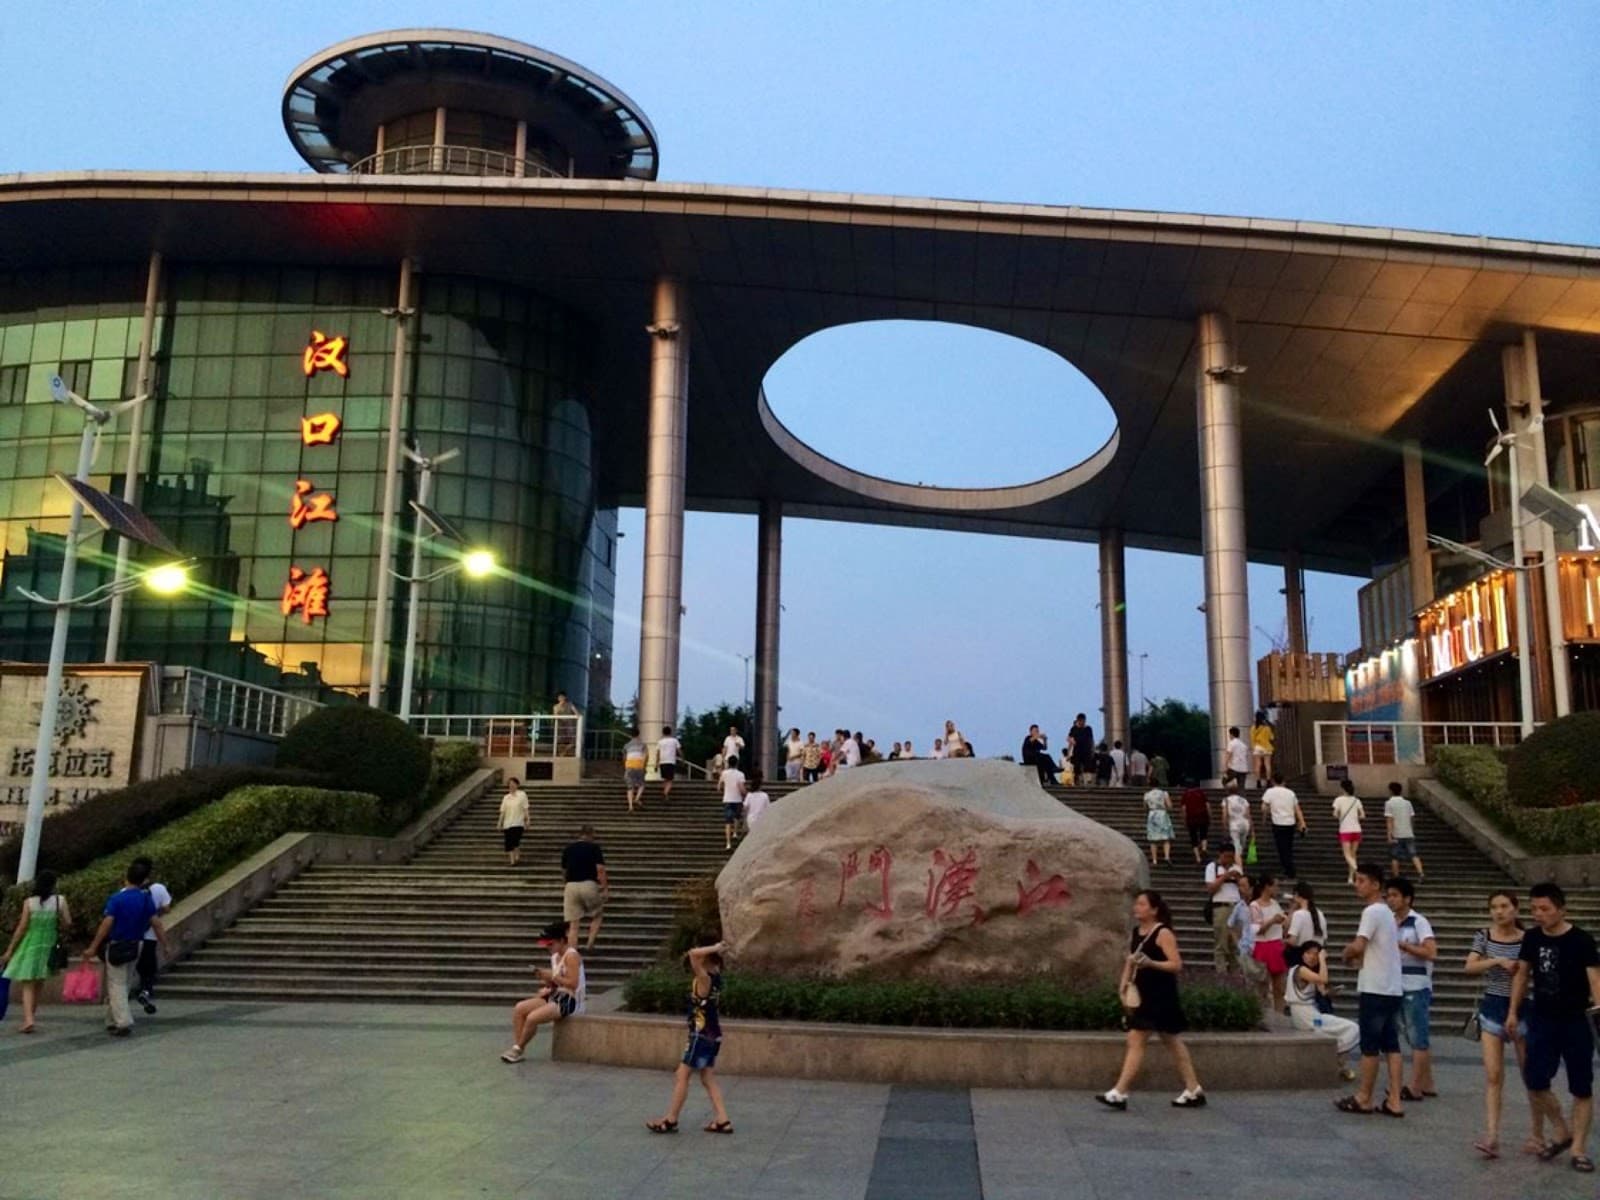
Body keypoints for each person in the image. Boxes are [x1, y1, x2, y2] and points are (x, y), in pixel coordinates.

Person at [1508, 881, 1600, 1173]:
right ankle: (1561, 1129)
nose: (1538, 914)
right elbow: (1522, 975)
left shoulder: (1582, 940)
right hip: (1542, 1018)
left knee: (1581, 1086)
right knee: (1535, 1080)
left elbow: (1595, 980)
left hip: (1576, 1020)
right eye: (1534, 909)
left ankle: (1578, 1149)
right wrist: (1512, 1011)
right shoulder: (1532, 938)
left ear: (1562, 910)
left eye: (1545, 909)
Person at [1095, 890, 1206, 1110]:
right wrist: (1123, 984)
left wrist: (1152, 963)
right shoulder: (1137, 932)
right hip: (1143, 992)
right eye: (1136, 903)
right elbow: (1131, 960)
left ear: (1154, 910)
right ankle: (1193, 1089)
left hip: (1161, 994)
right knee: (1171, 1041)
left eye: (1142, 904)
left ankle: (1119, 1092)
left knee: (1137, 1039)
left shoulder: (1163, 933)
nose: (1137, 907)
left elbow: (1176, 964)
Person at [1466, 890, 1544, 1160]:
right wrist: (1498, 960)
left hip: (1523, 1008)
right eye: (1494, 907)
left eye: (1504, 906)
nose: (1499, 911)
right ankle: (1492, 1135)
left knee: (1530, 1075)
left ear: (1515, 909)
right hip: (1492, 1007)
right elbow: (1470, 966)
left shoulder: (1528, 938)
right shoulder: (1484, 936)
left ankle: (1537, 1134)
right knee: (1493, 1075)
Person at [1335, 863, 1404, 1117]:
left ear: (1376, 885)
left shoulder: (1372, 911)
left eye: (1362, 880)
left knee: (1370, 1045)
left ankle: (1364, 1097)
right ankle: (1395, 1099)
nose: (1358, 885)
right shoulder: (1387, 913)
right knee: (1391, 1045)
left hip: (1375, 987)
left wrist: (1345, 953)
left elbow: (1359, 944)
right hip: (1392, 986)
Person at [646, 940, 734, 1134]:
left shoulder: (704, 979)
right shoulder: (716, 978)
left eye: (703, 958)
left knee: (682, 1074)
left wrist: (714, 948)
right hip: (712, 1034)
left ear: (707, 960)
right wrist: (716, 950)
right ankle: (723, 1119)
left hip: (701, 1035)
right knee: (707, 1077)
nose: (698, 960)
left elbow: (692, 953)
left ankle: (671, 1119)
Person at [82, 859, 170, 1037]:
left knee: (116, 984)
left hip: (118, 945)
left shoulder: (117, 898)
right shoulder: (145, 899)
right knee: (125, 982)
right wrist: (165, 944)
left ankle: (123, 1021)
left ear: (126, 878)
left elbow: (107, 923)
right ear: (144, 880)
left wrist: (93, 946)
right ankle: (112, 1019)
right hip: (137, 944)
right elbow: (156, 923)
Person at [501, 919, 586, 1063]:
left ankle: (518, 1048)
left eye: (551, 944)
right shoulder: (555, 957)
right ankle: (518, 1047)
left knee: (532, 1017)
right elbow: (557, 982)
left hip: (570, 1000)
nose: (548, 947)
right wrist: (547, 982)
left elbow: (573, 984)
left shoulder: (571, 956)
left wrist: (553, 976)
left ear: (561, 940)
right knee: (520, 1008)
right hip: (556, 995)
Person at [1, 869, 71, 1034]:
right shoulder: (60, 901)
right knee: (39, 982)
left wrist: (10, 949)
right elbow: (68, 922)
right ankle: (31, 1015)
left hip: (31, 943)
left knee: (27, 983)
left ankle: (28, 1020)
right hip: (49, 943)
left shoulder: (29, 902)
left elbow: (22, 927)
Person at [1387, 876, 1437, 1101]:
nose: (1391, 900)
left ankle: (1415, 1086)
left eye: (1395, 895)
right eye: (1389, 895)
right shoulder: (1389, 921)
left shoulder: (1418, 922)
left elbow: (1431, 952)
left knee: (1417, 1035)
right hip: (1395, 983)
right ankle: (1427, 1082)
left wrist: (1406, 946)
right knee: (1409, 1033)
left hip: (1415, 984)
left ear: (1407, 898)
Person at [1286, 941, 1359, 1080]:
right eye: (1308, 953)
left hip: (1310, 1014)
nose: (1312, 957)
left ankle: (1337, 1063)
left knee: (1342, 1030)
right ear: (1302, 954)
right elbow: (1323, 979)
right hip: (1307, 1016)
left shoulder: (1309, 971)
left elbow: (1323, 991)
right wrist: (1322, 959)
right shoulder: (1300, 970)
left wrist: (1332, 992)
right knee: (1353, 1028)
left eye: (1315, 954)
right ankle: (1333, 1060)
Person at [132, 857, 171, 1015]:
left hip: (131, 937)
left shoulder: (126, 891)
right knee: (149, 970)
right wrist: (166, 944)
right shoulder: (158, 888)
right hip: (150, 937)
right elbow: (166, 909)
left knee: (133, 968)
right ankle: (145, 991)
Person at [560, 825, 608, 951]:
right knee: (597, 914)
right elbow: (600, 869)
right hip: (589, 884)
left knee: (573, 924)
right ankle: (590, 942)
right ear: (591, 834)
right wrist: (604, 888)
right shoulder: (594, 848)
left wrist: (566, 884)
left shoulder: (568, 849)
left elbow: (564, 871)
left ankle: (573, 951)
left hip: (571, 886)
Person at [1250, 873, 1291, 1013]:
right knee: (1262, 986)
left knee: (1279, 986)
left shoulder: (1275, 904)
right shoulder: (1254, 905)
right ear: (1267, 887)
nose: (1277, 889)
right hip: (1262, 945)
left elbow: (1285, 923)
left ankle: (1279, 1014)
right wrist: (1272, 920)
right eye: (1275, 886)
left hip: (1276, 944)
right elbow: (1258, 929)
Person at [1204, 843, 1245, 973]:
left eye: (1231, 857)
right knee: (1221, 943)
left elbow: (1245, 890)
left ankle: (1236, 972)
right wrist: (1225, 876)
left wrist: (1239, 880)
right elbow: (1210, 889)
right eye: (1226, 856)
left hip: (1236, 907)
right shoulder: (1212, 867)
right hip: (1221, 907)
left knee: (1235, 943)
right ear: (1220, 855)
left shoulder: (1236, 868)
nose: (1228, 860)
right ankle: (1221, 973)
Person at [1260, 774, 1307, 880]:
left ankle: (1289, 869)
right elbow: (1297, 809)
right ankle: (1288, 867)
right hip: (1290, 823)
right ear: (1284, 781)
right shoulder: (1291, 793)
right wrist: (1302, 823)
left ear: (1273, 781)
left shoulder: (1270, 792)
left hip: (1278, 823)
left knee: (1281, 847)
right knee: (1288, 846)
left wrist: (1264, 819)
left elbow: (1264, 807)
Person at [1385, 782, 1425, 880]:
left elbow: (1390, 820)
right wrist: (1411, 829)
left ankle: (1396, 877)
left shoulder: (1389, 803)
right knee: (1413, 854)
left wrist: (1389, 835)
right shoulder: (1407, 803)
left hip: (1396, 834)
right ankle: (1420, 873)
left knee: (1395, 857)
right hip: (1408, 833)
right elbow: (1412, 818)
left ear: (1390, 791)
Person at [1286, 881, 1329, 971]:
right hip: (1317, 958)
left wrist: (1282, 941)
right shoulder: (1320, 914)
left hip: (1301, 958)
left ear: (1297, 895)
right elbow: (1324, 940)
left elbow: (1292, 941)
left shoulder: (1298, 914)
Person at [1332, 779, 1365, 883]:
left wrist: (1340, 816)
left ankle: (1357, 871)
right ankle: (1351, 877)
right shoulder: (1356, 800)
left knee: (1347, 854)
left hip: (1345, 829)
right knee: (1353, 854)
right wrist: (1355, 817)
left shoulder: (1338, 800)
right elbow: (1363, 815)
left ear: (1342, 788)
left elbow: (1335, 814)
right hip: (1357, 829)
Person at [499, 777, 529, 866]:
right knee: (508, 842)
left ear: (517, 785)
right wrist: (499, 822)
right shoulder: (506, 797)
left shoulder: (522, 795)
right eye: (510, 784)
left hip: (518, 822)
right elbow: (503, 811)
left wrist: (528, 819)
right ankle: (512, 861)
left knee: (515, 840)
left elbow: (525, 808)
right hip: (507, 823)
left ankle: (517, 855)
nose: (511, 786)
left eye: (513, 784)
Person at [720, 756, 747, 851]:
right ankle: (735, 833)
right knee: (737, 817)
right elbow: (741, 788)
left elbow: (719, 786)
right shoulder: (740, 774)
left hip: (727, 799)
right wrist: (745, 794)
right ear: (737, 763)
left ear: (728, 763)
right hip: (737, 799)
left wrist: (723, 790)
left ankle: (728, 843)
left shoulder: (724, 773)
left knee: (727, 822)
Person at [1220, 782, 1251, 866]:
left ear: (1228, 791)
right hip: (1245, 824)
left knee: (1236, 847)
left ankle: (1239, 867)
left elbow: (1224, 814)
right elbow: (1248, 814)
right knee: (1241, 846)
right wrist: (1252, 828)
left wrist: (1224, 826)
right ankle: (1237, 861)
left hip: (1234, 825)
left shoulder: (1226, 800)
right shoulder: (1244, 800)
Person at [1179, 780, 1210, 863]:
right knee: (1203, 834)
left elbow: (1184, 808)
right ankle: (1204, 848)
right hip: (1203, 816)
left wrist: (1184, 819)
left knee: (1193, 838)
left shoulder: (1185, 795)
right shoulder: (1201, 792)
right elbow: (1207, 805)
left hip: (1191, 818)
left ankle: (1198, 858)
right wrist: (1210, 815)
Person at [1144, 784, 1174, 867]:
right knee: (1166, 838)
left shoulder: (1147, 794)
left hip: (1152, 815)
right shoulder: (1164, 793)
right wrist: (1166, 808)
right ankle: (1167, 856)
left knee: (1153, 839)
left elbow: (1145, 807)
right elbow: (1170, 805)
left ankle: (1154, 860)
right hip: (1162, 814)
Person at [623, 731, 648, 812]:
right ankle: (637, 798)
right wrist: (644, 766)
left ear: (631, 735)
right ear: (638, 735)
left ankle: (630, 806)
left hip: (629, 765)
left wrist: (625, 766)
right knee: (642, 784)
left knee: (630, 787)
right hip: (639, 765)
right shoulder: (643, 744)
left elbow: (624, 757)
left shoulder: (626, 745)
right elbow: (646, 756)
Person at [1068, 714, 1095, 786]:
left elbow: (1091, 740)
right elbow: (1069, 738)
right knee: (1077, 766)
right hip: (1077, 750)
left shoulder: (1088, 728)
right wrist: (1072, 741)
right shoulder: (1074, 729)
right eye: (1080, 721)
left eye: (1083, 721)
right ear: (1078, 720)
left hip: (1086, 750)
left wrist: (1092, 749)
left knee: (1087, 766)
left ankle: (1087, 781)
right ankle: (1078, 780)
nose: (1082, 722)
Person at [1250, 710, 1275, 789]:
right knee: (1267, 765)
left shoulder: (1253, 728)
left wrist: (1253, 747)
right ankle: (1268, 781)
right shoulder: (1267, 728)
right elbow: (1272, 738)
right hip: (1267, 747)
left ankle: (1258, 782)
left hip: (1257, 747)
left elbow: (1252, 739)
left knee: (1258, 765)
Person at [657, 725, 682, 799]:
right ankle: (665, 793)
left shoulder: (660, 741)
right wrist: (682, 758)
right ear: (670, 732)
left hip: (662, 762)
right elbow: (679, 750)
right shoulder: (674, 740)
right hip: (671, 761)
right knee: (670, 779)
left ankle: (665, 792)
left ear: (663, 733)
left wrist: (656, 763)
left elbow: (658, 753)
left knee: (665, 778)